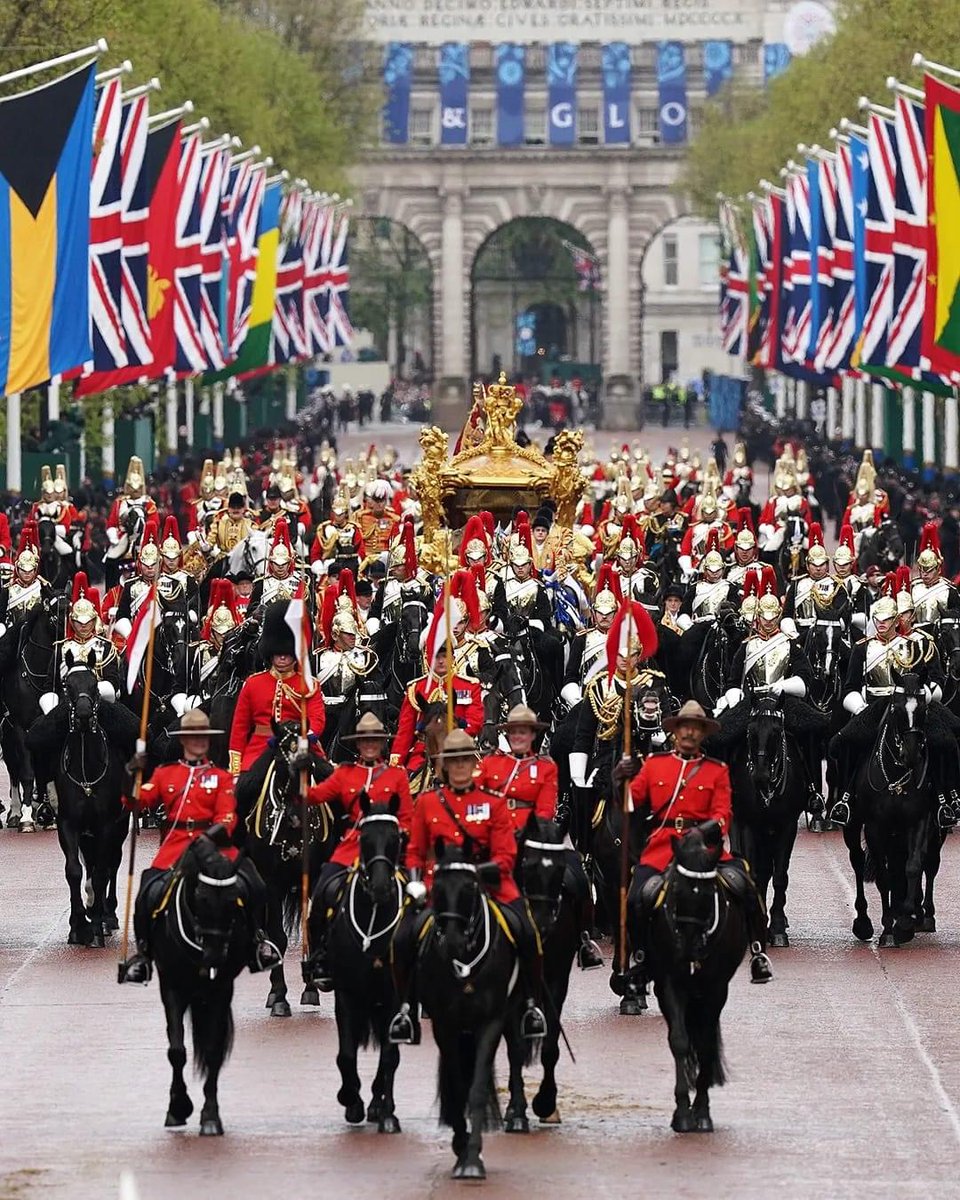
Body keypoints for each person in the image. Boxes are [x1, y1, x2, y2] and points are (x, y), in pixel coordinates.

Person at [388, 729, 547, 1045]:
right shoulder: (428, 803)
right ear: (445, 767)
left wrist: (478, 872)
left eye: (465, 761)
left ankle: (531, 1005)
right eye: (454, 762)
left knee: (528, 932)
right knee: (403, 937)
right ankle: (406, 1008)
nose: (459, 767)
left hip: (488, 885)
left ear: (473, 764)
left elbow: (505, 855)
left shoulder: (493, 804)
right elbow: (415, 852)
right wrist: (416, 882)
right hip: (439, 888)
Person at [118, 708, 281, 984]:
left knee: (256, 884)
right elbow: (136, 803)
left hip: (215, 847)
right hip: (175, 847)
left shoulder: (221, 777)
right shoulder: (164, 774)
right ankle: (143, 956)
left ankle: (257, 942)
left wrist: (208, 838)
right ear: (184, 740)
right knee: (146, 890)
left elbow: (228, 817)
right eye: (193, 737)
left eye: (203, 737)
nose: (199, 741)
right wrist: (130, 774)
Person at [617, 700, 773, 988]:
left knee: (745, 885)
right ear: (676, 731)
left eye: (695, 729)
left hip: (705, 848)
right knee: (637, 896)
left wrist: (704, 831)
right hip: (663, 847)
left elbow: (724, 814)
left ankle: (757, 952)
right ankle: (639, 959)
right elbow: (630, 804)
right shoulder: (655, 765)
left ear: (702, 734)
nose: (689, 733)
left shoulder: (716, 770)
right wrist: (620, 780)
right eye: (684, 728)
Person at [475, 704, 603, 970]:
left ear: (533, 735)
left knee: (576, 874)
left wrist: (530, 833)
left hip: (533, 836)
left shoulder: (545, 768)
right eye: (514, 732)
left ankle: (583, 940)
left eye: (524, 732)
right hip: (494, 834)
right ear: (507, 735)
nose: (518, 736)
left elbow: (544, 810)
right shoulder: (490, 763)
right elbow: (480, 801)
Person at [301, 713, 413, 991]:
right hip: (352, 845)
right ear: (359, 743)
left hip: (387, 849)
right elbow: (313, 797)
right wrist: (301, 772)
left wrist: (399, 840)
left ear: (382, 743)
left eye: (374, 740)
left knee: (417, 898)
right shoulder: (345, 773)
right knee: (322, 892)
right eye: (365, 740)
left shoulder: (397, 776)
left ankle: (416, 959)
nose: (370, 745)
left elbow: (408, 817)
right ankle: (320, 958)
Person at [228, 602, 326, 775]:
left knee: (330, 787)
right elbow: (240, 727)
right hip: (260, 749)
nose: (282, 656)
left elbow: (316, 717)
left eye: (287, 653)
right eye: (277, 652)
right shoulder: (253, 684)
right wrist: (236, 763)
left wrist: (306, 736)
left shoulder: (309, 685)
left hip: (300, 746)